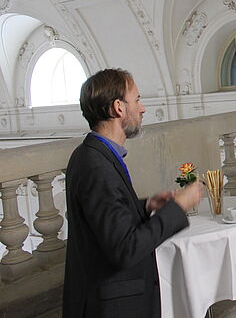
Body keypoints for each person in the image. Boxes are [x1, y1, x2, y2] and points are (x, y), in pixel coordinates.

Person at [63, 68, 202, 318]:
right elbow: (125, 248)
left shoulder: (92, 154)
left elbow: (104, 218)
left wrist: (146, 205)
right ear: (118, 107)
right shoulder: (97, 166)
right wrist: (177, 207)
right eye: (137, 100)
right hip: (112, 307)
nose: (142, 108)